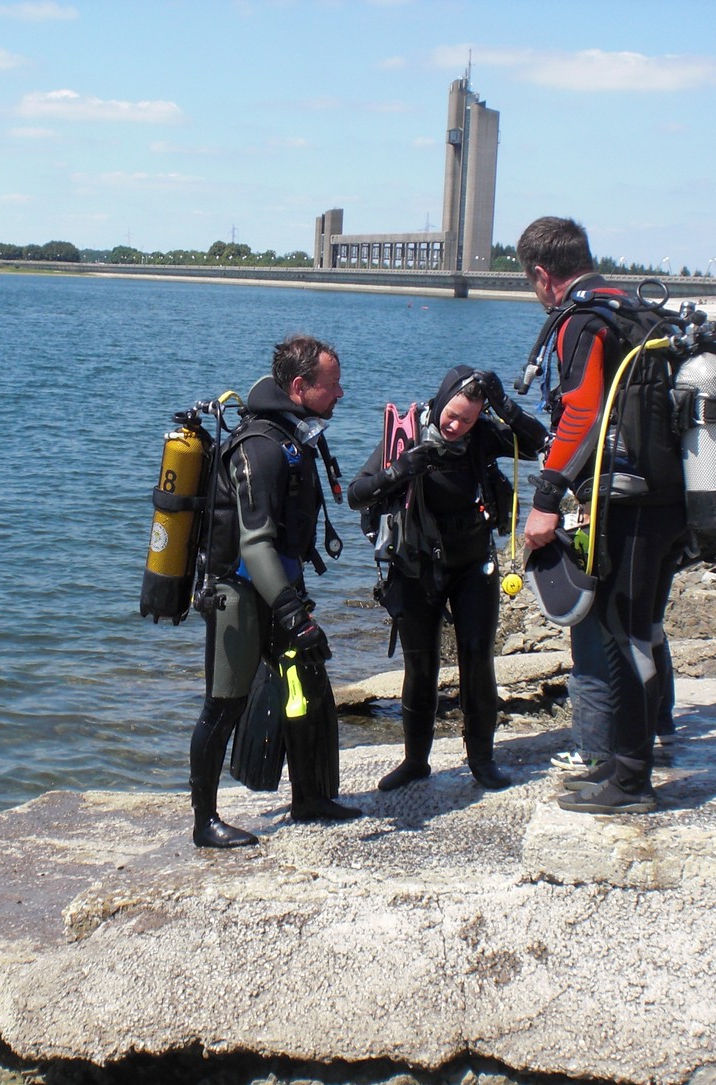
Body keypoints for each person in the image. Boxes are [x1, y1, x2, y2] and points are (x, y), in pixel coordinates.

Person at [517, 216, 689, 813]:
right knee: (636, 630)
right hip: (674, 498)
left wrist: (544, 502)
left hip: (631, 502)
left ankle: (631, 781)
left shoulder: (583, 320)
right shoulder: (637, 310)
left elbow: (583, 414)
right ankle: (623, 761)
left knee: (626, 635)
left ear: (543, 276)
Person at [187, 334, 361, 848]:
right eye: (332, 385)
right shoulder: (259, 447)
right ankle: (204, 822)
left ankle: (309, 796)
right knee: (223, 706)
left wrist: (293, 606)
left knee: (302, 689)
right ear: (301, 386)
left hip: (280, 588)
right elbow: (255, 543)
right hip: (238, 593)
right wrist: (294, 614)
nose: (341, 394)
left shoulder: (293, 437)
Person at [348, 366, 548, 791]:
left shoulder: (481, 437)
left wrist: (504, 407)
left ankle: (482, 759)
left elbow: (538, 445)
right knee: (420, 665)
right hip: (415, 567)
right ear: (439, 402)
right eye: (452, 415)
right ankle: (415, 762)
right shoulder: (406, 434)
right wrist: (398, 470)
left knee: (478, 661)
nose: (456, 426)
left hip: (473, 565)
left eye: (468, 420)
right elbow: (356, 493)